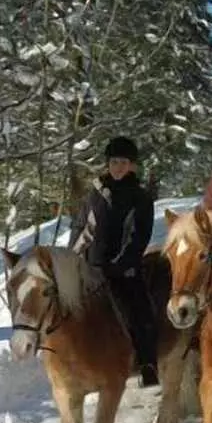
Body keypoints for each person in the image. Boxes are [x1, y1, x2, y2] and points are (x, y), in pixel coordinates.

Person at [68, 136, 159, 387]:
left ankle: (147, 362)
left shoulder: (140, 198)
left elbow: (138, 236)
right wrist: (71, 258)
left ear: (132, 166)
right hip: (92, 268)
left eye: (123, 162)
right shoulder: (95, 195)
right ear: (107, 164)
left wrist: (119, 266)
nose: (118, 166)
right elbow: (82, 229)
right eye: (114, 161)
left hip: (123, 270)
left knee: (139, 310)